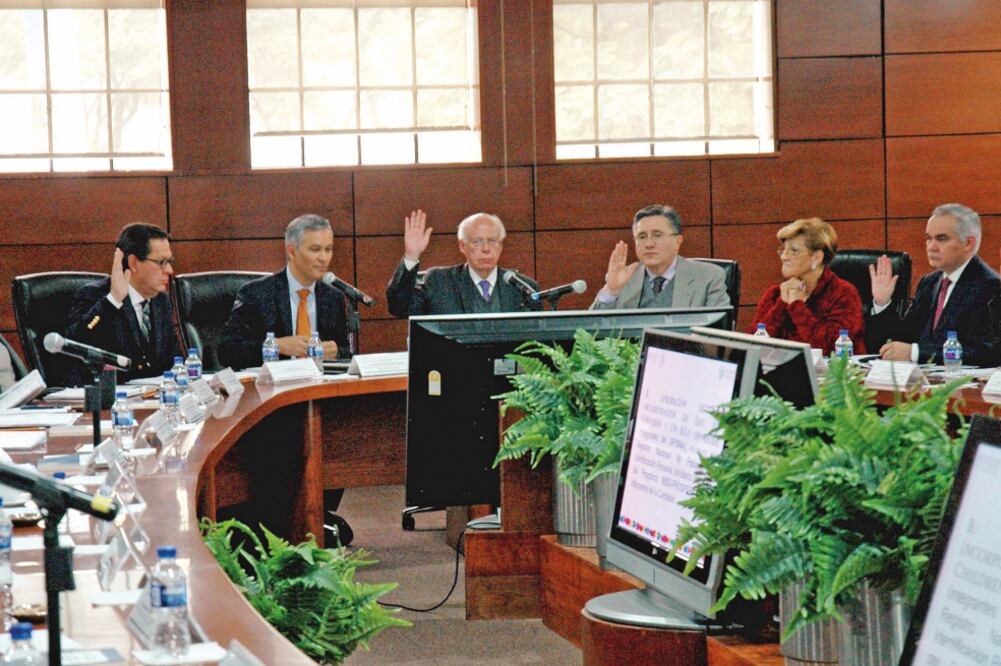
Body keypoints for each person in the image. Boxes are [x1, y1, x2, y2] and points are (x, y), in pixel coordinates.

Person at [868, 203, 1000, 366]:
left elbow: (988, 352)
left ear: (968, 244)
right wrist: (882, 303)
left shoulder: (990, 286)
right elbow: (901, 340)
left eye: (941, 239)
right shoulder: (929, 283)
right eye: (928, 238)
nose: (931, 247)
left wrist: (915, 353)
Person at [218, 214, 350, 370]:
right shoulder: (257, 294)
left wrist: (336, 351)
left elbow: (346, 352)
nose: (324, 258)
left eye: (328, 249)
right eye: (315, 249)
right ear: (292, 252)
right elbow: (227, 352)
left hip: (320, 387)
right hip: (275, 387)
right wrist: (277, 346)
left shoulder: (333, 298)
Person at [65, 223, 182, 385]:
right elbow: (76, 343)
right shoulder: (96, 295)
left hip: (151, 402)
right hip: (109, 402)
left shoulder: (161, 301)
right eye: (162, 262)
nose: (169, 270)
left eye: (170, 262)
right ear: (133, 263)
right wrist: (113, 301)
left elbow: (174, 361)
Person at [385, 210, 542, 317]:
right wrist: (412, 256)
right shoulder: (439, 281)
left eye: (492, 241)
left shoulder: (523, 288)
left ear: (501, 246)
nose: (486, 249)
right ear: (462, 246)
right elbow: (399, 308)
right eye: (477, 241)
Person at [748, 218, 865, 354]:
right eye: (783, 249)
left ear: (817, 257)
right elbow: (749, 348)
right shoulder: (774, 294)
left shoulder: (843, 294)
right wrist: (781, 305)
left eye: (793, 250)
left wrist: (797, 306)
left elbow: (832, 351)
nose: (784, 257)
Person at [591, 204, 729, 310]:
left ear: (677, 242)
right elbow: (589, 336)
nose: (649, 244)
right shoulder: (624, 278)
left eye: (657, 235)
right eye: (642, 236)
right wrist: (611, 290)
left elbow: (718, 336)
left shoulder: (709, 277)